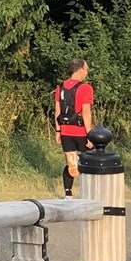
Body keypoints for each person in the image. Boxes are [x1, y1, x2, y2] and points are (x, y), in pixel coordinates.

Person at [52, 59, 94, 198]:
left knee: (71, 163)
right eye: (86, 69)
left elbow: (57, 111)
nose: (87, 72)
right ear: (80, 69)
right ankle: (89, 193)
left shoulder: (60, 87)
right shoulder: (85, 88)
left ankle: (68, 194)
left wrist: (58, 130)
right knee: (90, 161)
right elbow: (86, 112)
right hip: (81, 131)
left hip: (66, 131)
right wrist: (90, 134)